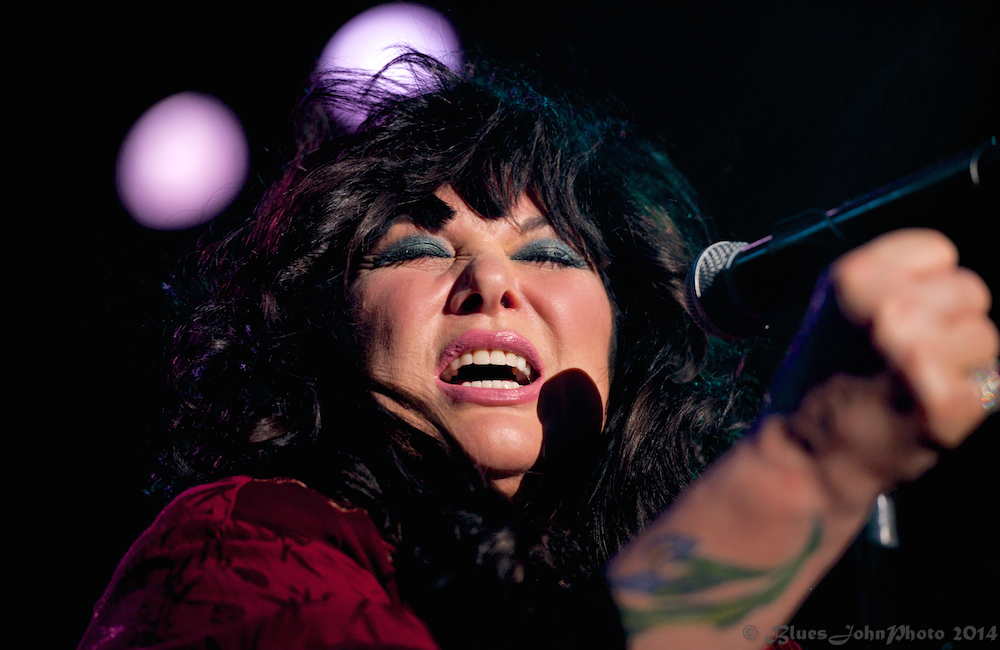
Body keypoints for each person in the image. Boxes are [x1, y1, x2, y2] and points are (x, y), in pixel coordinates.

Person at [79, 56, 998, 650]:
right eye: (417, 248)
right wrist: (806, 470)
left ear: (628, 340)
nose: (491, 283)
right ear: (326, 331)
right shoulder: (243, 547)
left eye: (552, 254)